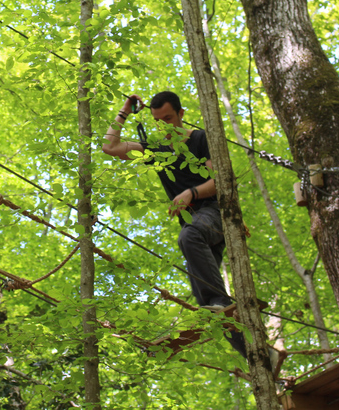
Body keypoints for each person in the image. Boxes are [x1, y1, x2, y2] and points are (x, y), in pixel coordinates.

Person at [102, 91, 247, 358]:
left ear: (181, 114)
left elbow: (221, 181)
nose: (164, 126)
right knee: (210, 305)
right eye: (158, 121)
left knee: (189, 240)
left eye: (169, 118)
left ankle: (221, 302)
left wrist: (190, 193)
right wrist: (124, 110)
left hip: (215, 213)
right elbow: (109, 147)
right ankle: (258, 356)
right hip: (196, 226)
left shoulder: (201, 139)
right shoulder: (154, 152)